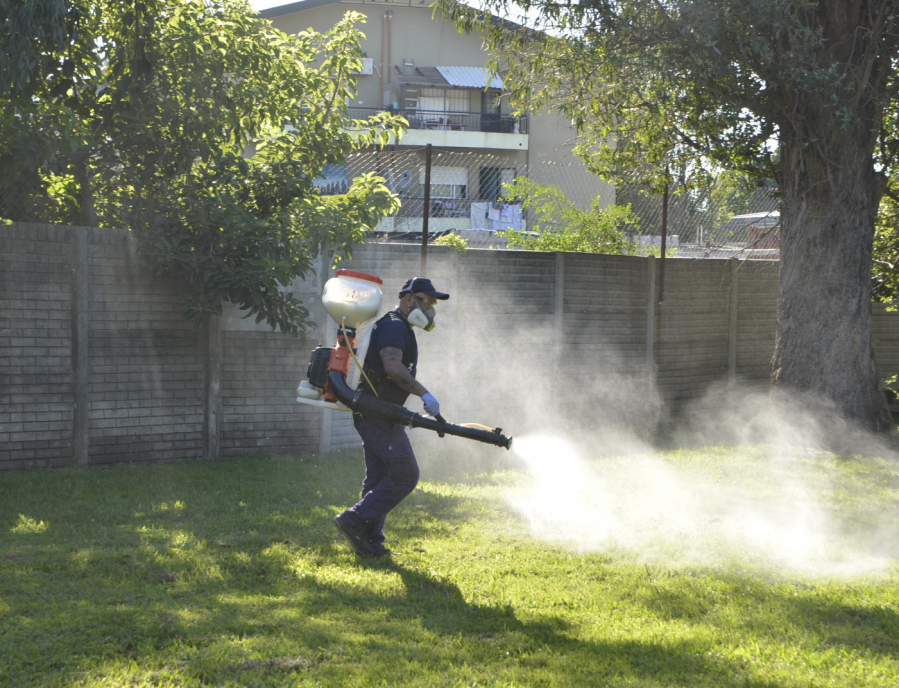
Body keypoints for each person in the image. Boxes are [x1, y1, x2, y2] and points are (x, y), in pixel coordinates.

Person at [333, 277, 449, 557]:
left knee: (379, 478)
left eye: (433, 304)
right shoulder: (395, 326)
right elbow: (393, 369)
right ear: (408, 299)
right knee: (406, 474)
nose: (431, 308)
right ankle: (354, 519)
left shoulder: (400, 327)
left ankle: (371, 542)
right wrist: (425, 394)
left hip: (379, 414)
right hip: (378, 415)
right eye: (427, 301)